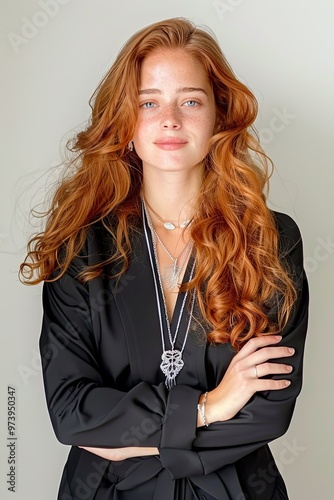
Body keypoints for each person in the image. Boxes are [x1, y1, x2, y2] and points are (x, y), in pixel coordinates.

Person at [20, 17, 308, 500]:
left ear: (219, 116)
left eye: (190, 101)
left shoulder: (271, 239)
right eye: (148, 102)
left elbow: (268, 412)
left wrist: (126, 436)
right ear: (125, 124)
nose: (170, 119)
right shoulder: (80, 245)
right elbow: (71, 414)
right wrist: (209, 407)